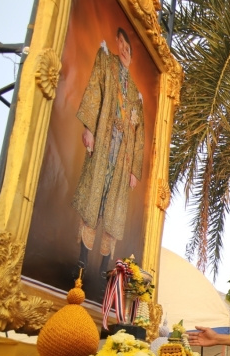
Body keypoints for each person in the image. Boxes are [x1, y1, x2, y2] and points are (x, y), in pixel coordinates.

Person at [73, 27, 145, 277]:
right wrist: (89, 128)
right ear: (117, 43)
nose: (124, 51)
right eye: (122, 45)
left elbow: (139, 133)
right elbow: (95, 90)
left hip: (122, 158)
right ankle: (82, 260)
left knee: (113, 209)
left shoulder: (136, 93)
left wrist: (135, 169)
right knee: (93, 200)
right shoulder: (106, 63)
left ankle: (104, 269)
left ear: (132, 55)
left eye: (129, 48)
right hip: (103, 143)